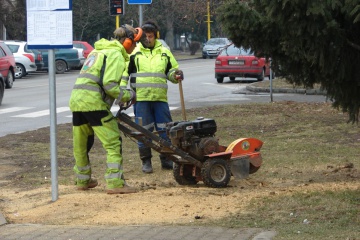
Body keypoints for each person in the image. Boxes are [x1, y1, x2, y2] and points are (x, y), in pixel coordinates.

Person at [69, 24, 142, 194]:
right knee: (113, 141)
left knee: (81, 143)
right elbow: (110, 85)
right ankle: (115, 182)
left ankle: (82, 179)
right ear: (127, 42)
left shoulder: (97, 51)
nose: (136, 46)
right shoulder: (116, 54)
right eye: (135, 42)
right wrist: (128, 95)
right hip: (94, 103)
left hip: (77, 101)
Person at [123, 20, 184, 174]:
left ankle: (166, 159)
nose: (148, 39)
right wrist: (123, 92)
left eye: (151, 36)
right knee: (144, 131)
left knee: (165, 130)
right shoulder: (134, 53)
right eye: (146, 37)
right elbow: (125, 73)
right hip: (141, 99)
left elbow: (171, 71)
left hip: (160, 99)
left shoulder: (164, 52)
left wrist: (176, 75)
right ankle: (146, 161)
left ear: (155, 36)